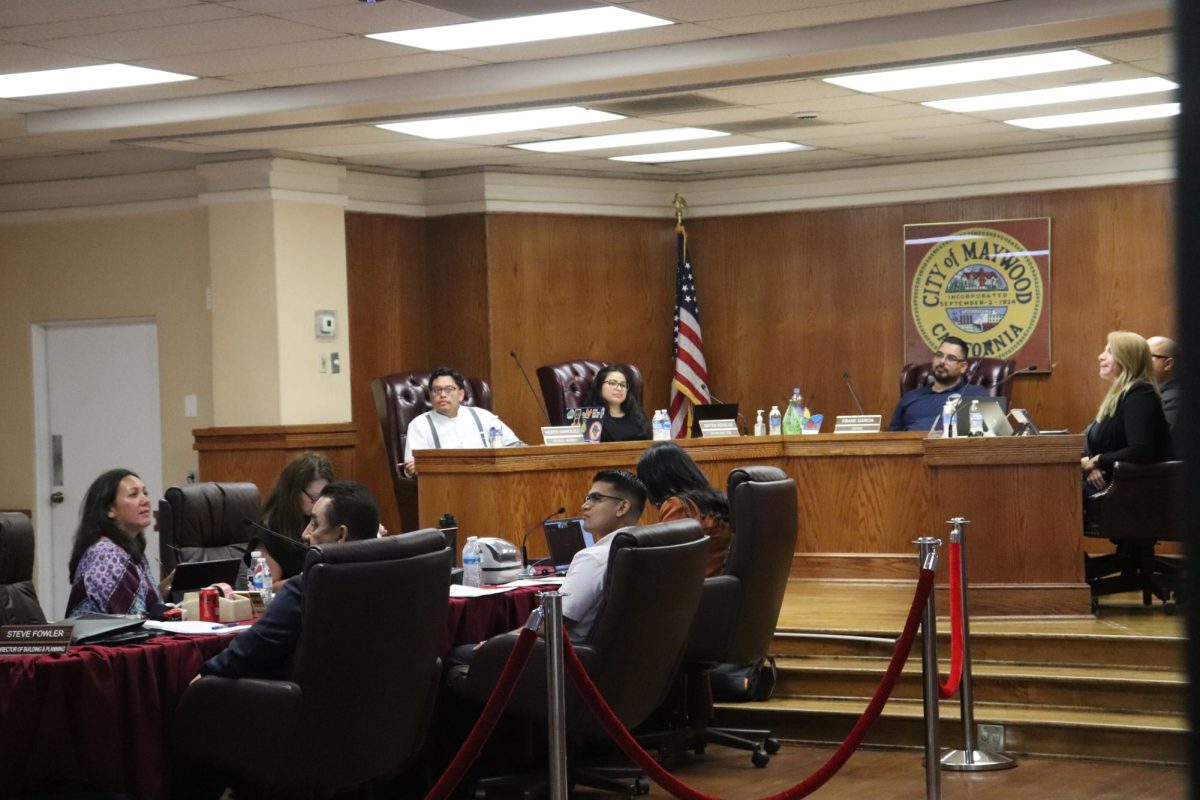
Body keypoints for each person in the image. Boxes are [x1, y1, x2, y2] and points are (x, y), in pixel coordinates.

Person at [200, 481, 380, 680]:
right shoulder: (393, 582)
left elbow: (248, 652)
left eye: (314, 523)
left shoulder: (307, 589)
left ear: (341, 535)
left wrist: (202, 676)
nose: (305, 533)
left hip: (290, 703)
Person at [560, 469, 648, 640]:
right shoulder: (650, 546)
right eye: (587, 498)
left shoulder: (594, 558)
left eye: (596, 498)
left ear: (622, 507)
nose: (585, 506)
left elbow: (551, 624)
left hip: (573, 659)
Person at [1081, 331, 1171, 493]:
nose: (1100, 357)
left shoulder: (1140, 394)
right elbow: (1087, 436)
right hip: (1106, 482)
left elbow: (1141, 450)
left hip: (1128, 491)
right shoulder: (1118, 395)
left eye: (1109, 351)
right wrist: (1089, 463)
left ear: (1127, 358)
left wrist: (1099, 460)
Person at [66, 469, 164, 617]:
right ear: (110, 510)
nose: (145, 500)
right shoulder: (106, 554)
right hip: (100, 640)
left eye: (145, 493)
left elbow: (148, 604)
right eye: (133, 494)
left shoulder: (129, 548)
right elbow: (134, 620)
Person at [403, 367, 523, 477]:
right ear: (430, 395)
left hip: (489, 480)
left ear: (461, 394)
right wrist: (415, 468)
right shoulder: (419, 425)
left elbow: (515, 446)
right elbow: (412, 467)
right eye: (436, 390)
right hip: (445, 487)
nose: (443, 395)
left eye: (449, 389)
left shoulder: (483, 416)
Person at [636, 441, 730, 576]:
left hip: (694, 590)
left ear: (655, 481)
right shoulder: (718, 499)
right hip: (719, 587)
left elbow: (668, 559)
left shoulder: (678, 505)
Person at [253, 451, 335, 590]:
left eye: (324, 496)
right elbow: (263, 588)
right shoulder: (270, 528)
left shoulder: (327, 519)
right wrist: (312, 578)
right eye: (314, 497)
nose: (318, 504)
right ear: (293, 492)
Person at [888, 335, 988, 432]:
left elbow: (991, 436)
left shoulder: (977, 395)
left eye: (951, 358)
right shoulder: (910, 397)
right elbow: (892, 438)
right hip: (912, 448)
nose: (942, 361)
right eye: (939, 355)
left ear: (963, 367)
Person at [584, 365, 652, 442]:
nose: (619, 388)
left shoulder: (637, 414)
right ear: (599, 386)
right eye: (612, 383)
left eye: (623, 385)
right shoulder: (590, 417)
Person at [1147, 336, 1180, 432]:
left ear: (1168, 364)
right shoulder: (1152, 392)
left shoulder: (1175, 398)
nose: (1141, 362)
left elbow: (1157, 440)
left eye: (1146, 357)